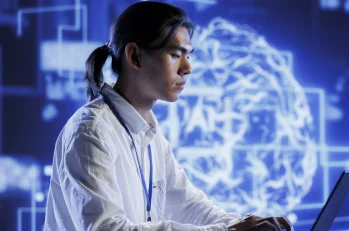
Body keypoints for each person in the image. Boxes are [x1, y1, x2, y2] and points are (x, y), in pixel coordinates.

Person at [44, 1, 293, 231]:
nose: (187, 68)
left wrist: (242, 225)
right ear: (135, 56)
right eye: (175, 55)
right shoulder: (91, 130)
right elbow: (108, 228)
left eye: (188, 55)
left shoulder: (149, 131)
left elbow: (187, 204)